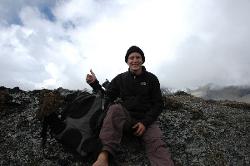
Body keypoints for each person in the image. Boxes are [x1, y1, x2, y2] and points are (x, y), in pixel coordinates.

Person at [86, 46, 174, 166]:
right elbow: (107, 96)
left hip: (146, 121)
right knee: (115, 108)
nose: (135, 60)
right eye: (131, 58)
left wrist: (145, 122)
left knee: (157, 145)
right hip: (126, 118)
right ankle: (103, 158)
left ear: (142, 60)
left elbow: (158, 104)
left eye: (138, 57)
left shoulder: (152, 79)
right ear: (127, 61)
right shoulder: (120, 79)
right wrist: (95, 84)